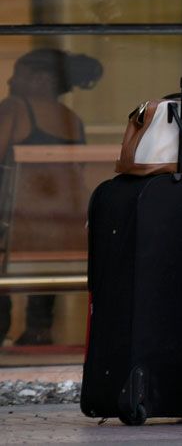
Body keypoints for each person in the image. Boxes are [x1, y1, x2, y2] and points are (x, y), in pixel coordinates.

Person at [0, 49, 103, 346]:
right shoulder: (73, 119)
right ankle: (37, 335)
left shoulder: (15, 108)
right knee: (40, 314)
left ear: (42, 79)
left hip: (19, 225)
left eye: (18, 74)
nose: (10, 80)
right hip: (66, 226)